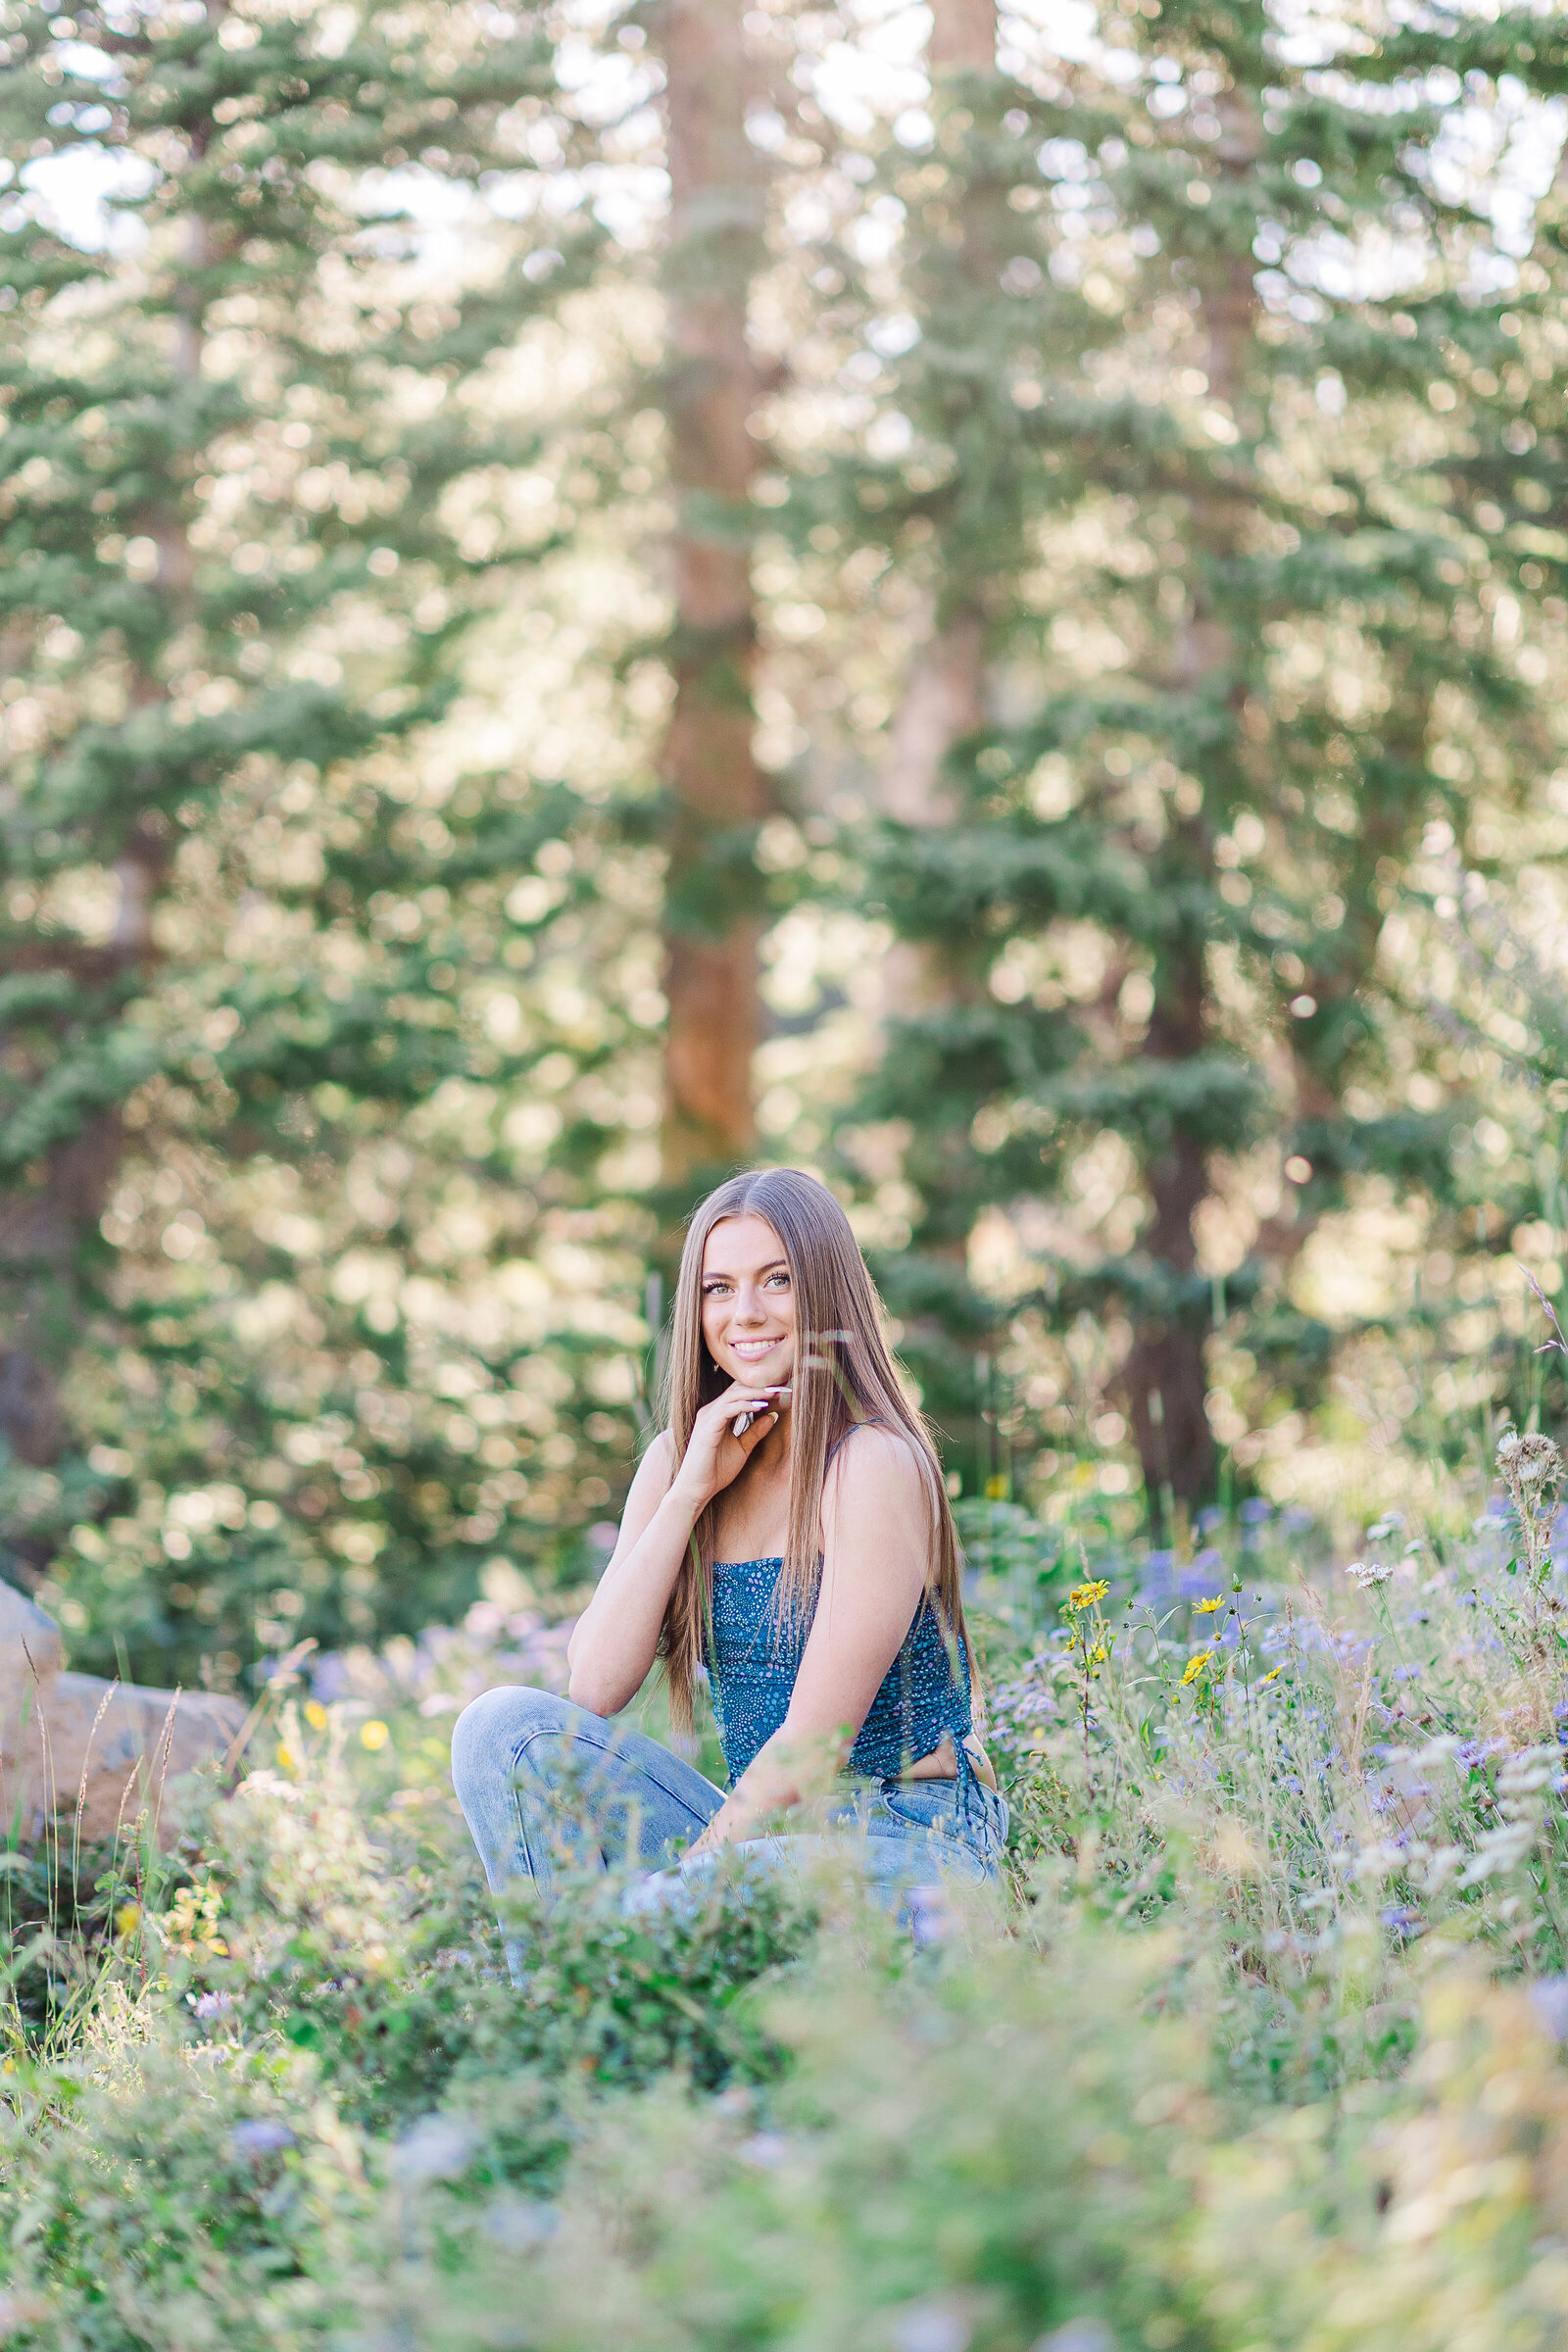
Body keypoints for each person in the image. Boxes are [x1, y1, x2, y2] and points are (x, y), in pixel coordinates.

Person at [450, 1167, 1005, 1964]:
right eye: (718, 1288)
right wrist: (688, 1494)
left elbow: (814, 1744)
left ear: (825, 1295)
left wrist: (689, 1874)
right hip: (762, 1840)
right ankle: (563, 2028)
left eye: (776, 1280)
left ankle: (580, 2001)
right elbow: (595, 1686)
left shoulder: (871, 1463)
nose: (744, 1313)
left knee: (659, 1914)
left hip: (909, 1841)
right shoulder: (681, 1460)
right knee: (501, 1728)